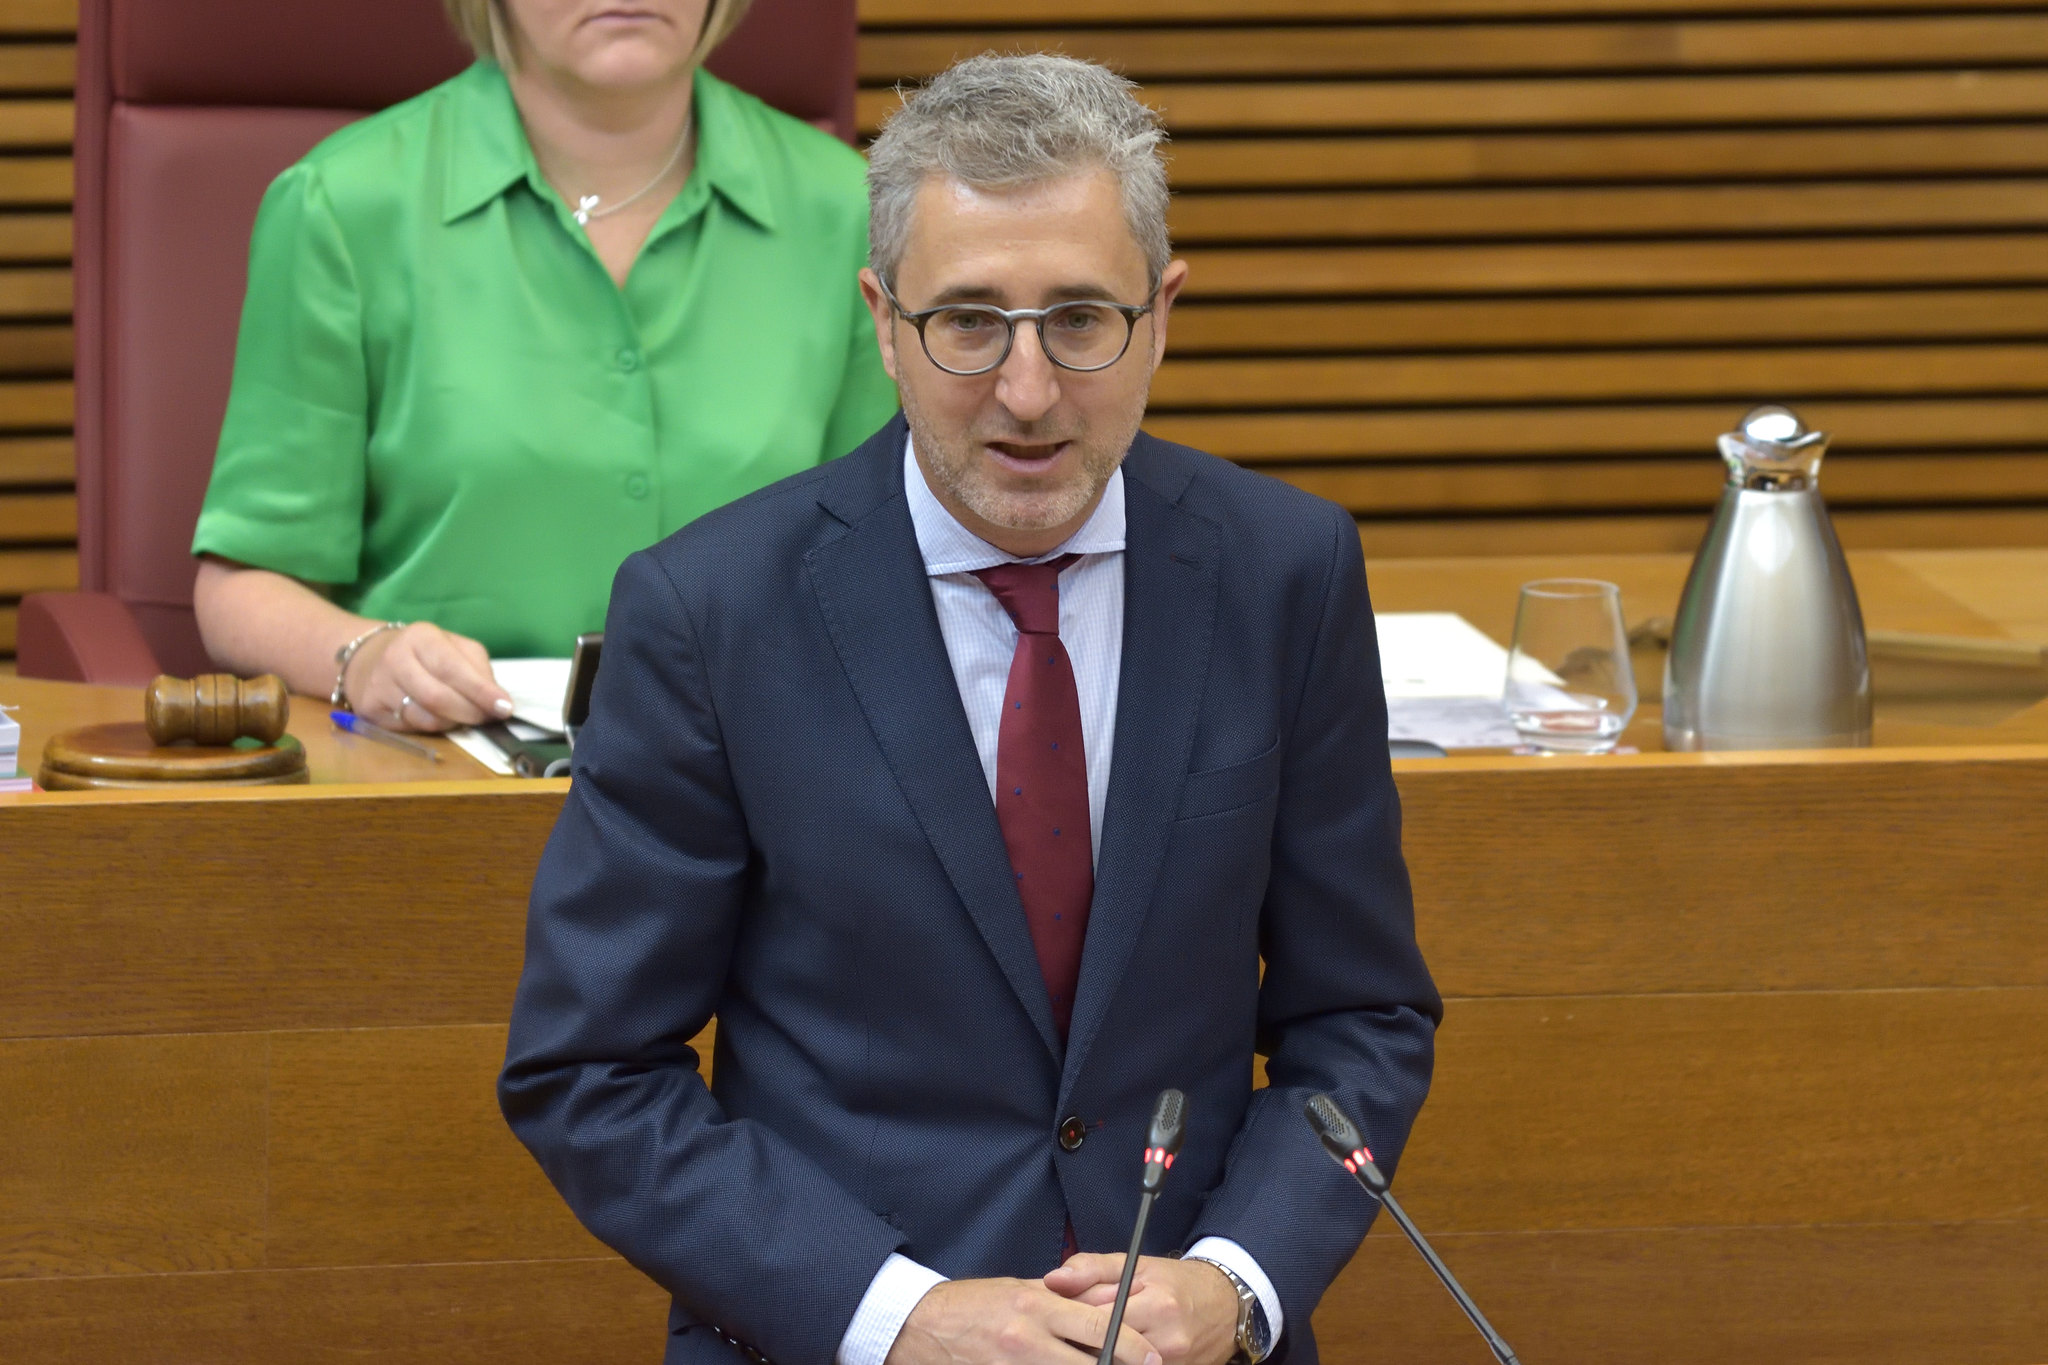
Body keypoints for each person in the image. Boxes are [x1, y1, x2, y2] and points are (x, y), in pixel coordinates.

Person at [500, 54, 1439, 1365]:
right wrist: (897, 1316)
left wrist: (1235, 1283)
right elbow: (591, 1070)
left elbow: (1360, 1016)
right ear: (883, 321)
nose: (1028, 391)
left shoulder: (1287, 573)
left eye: (1081, 320)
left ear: (1162, 314)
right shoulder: (712, 611)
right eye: (968, 323)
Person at [189, 0, 897, 733]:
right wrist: (365, 657)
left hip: (755, 766)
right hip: (441, 762)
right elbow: (243, 587)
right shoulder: (341, 206)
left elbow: (879, 564)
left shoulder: (848, 210)